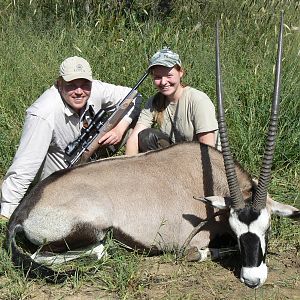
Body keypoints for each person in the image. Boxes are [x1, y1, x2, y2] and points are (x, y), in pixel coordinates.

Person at [0, 56, 142, 220]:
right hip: (58, 176)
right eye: (71, 85)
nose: (79, 91)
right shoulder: (43, 113)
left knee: (132, 130)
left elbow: (134, 96)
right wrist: (6, 213)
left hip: (90, 153)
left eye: (85, 84)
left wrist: (119, 129)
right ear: (59, 83)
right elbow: (24, 167)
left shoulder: (95, 89)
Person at [125, 47, 220, 156]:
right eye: (158, 77)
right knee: (146, 136)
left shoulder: (198, 100)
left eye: (169, 76)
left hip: (202, 159)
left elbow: (207, 149)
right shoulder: (154, 102)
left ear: (181, 72)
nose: (163, 82)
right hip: (177, 158)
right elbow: (134, 139)